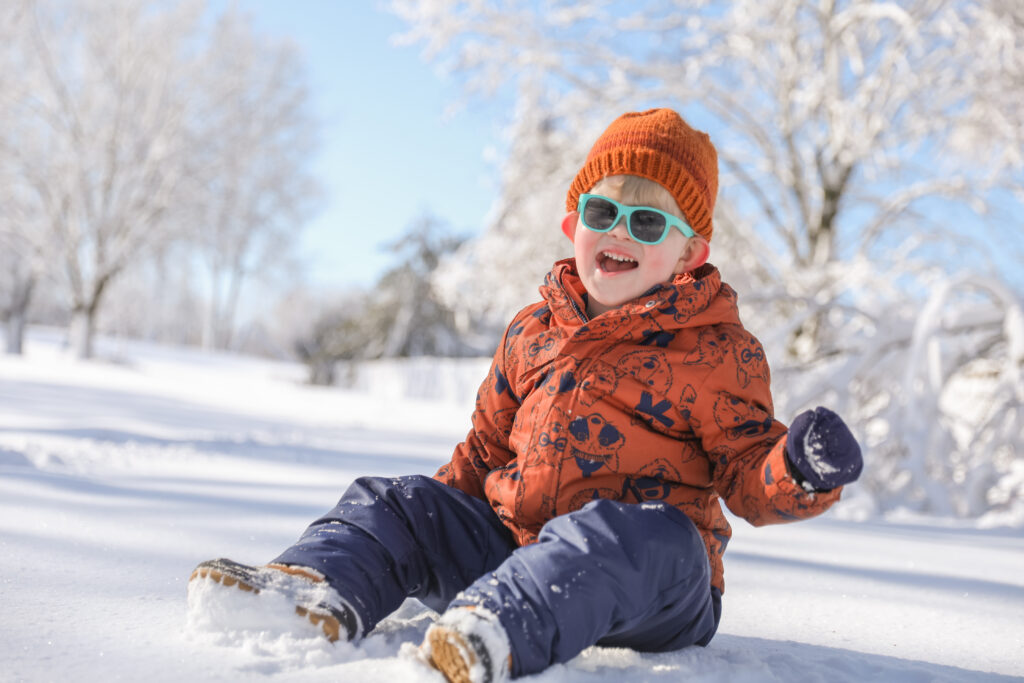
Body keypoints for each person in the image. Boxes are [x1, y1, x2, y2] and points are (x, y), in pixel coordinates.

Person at [188, 108, 863, 682]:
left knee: (647, 534)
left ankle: (497, 630)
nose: (621, 230)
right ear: (574, 225)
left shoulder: (717, 350)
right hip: (513, 550)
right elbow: (483, 451)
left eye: (648, 223)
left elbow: (749, 472)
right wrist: (426, 522)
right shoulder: (532, 331)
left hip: (656, 583)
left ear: (690, 253)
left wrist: (797, 471)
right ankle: (311, 589)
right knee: (399, 500)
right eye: (605, 210)